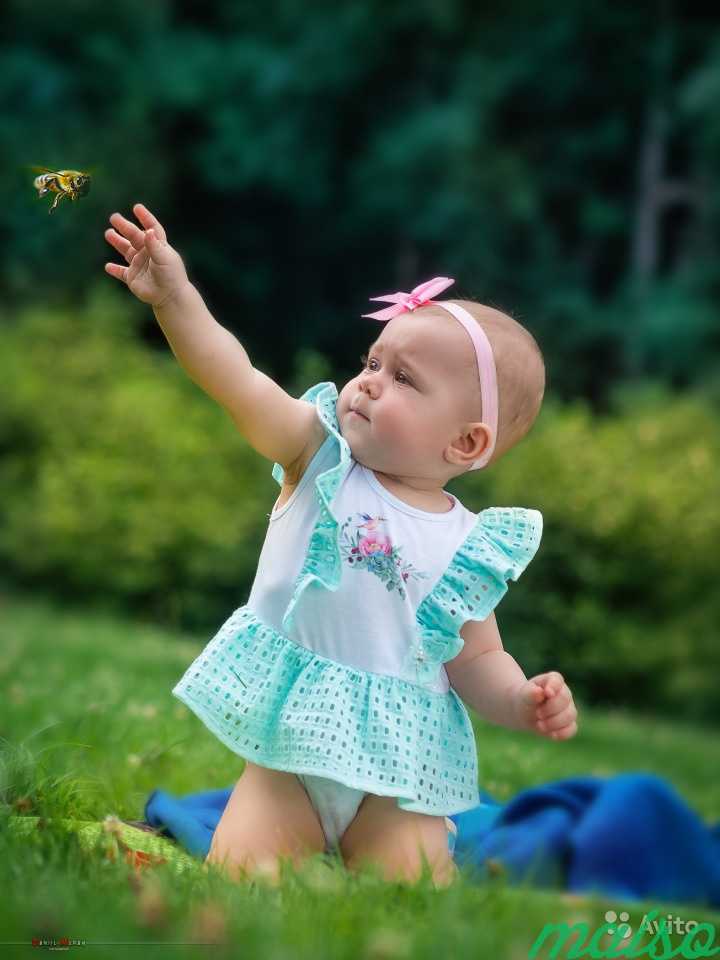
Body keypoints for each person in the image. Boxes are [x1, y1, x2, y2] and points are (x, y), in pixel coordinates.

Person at [105, 204, 579, 888]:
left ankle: (422, 840)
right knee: (244, 884)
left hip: (397, 772)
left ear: (466, 442)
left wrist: (521, 699)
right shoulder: (319, 457)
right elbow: (236, 380)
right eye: (373, 361)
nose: (369, 380)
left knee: (411, 896)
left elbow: (477, 656)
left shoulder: (468, 544)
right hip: (291, 757)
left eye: (404, 378)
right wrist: (176, 299)